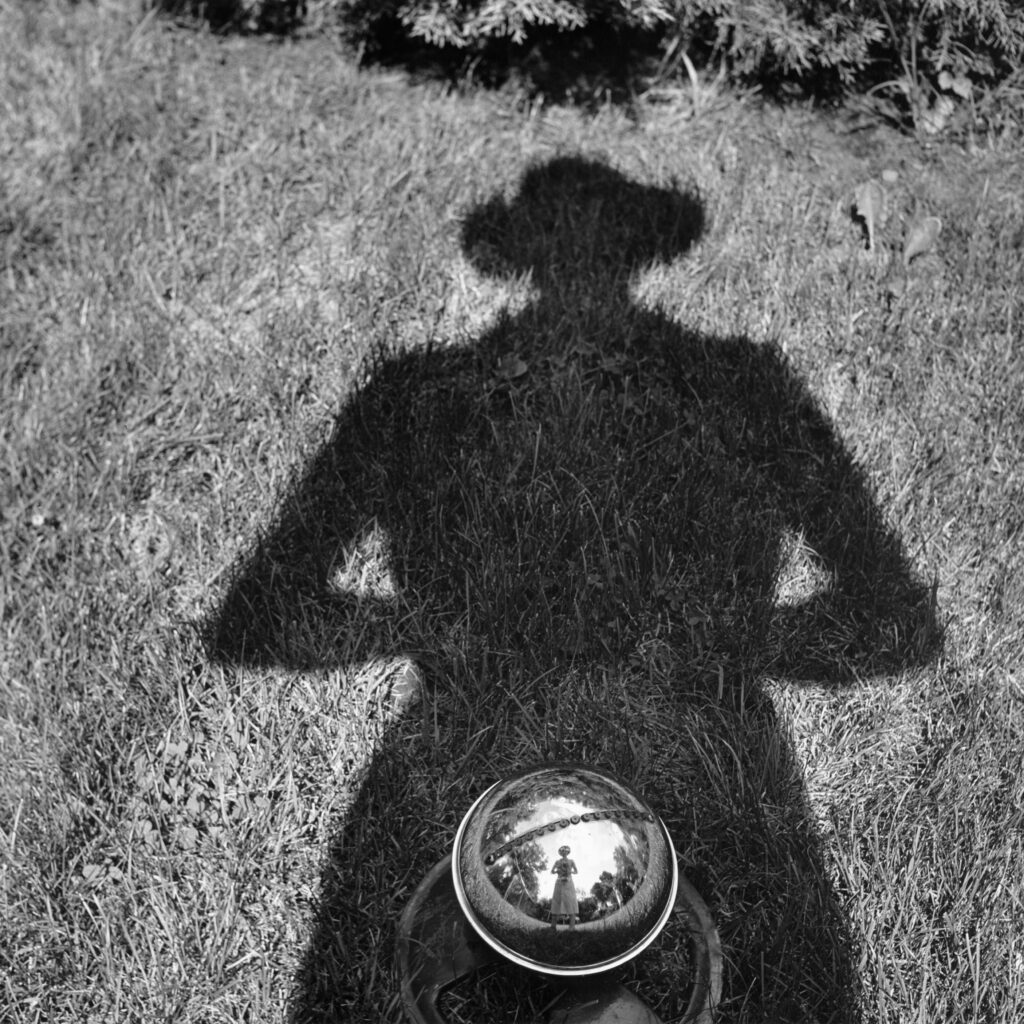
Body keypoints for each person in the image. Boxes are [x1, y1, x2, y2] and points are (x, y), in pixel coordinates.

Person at [211, 157, 940, 1022]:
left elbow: (899, 620)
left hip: (492, 715)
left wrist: (433, 628)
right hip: (655, 725)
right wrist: (729, 645)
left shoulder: (418, 386)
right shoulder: (747, 376)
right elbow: (252, 618)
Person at [550, 845, 579, 928]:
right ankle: (553, 927)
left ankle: (572, 927)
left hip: (568, 882)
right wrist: (556, 871)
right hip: (559, 882)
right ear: (560, 853)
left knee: (570, 901)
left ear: (568, 852)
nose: (564, 852)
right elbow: (552, 871)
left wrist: (570, 872)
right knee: (556, 900)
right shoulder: (557, 862)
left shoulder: (571, 861)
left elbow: (576, 871)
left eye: (565, 850)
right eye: (562, 851)